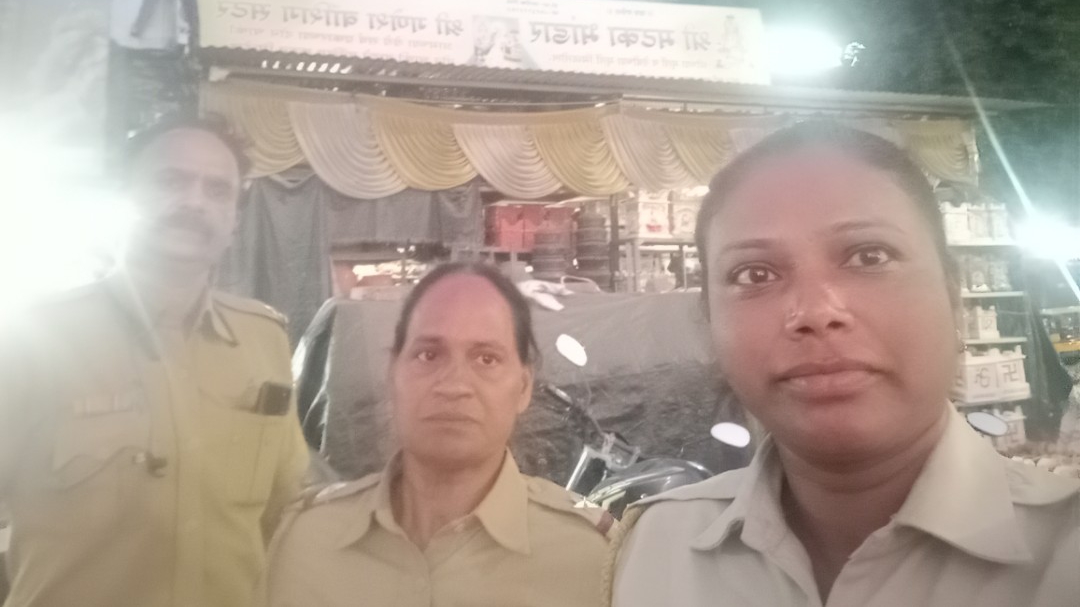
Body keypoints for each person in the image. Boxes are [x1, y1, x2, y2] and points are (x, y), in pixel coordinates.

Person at [612, 122, 1080, 607]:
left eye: (869, 256)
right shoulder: (656, 552)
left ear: (953, 297)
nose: (816, 312)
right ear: (710, 321)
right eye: (755, 274)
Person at [0, 115, 309, 607]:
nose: (194, 202)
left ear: (234, 220)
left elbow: (286, 507)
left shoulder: (263, 340)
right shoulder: (31, 338)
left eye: (218, 190)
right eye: (170, 180)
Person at [260, 262, 615, 607]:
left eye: (486, 359)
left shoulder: (592, 559)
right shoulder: (306, 543)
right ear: (392, 374)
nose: (454, 385)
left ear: (523, 387)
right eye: (428, 355)